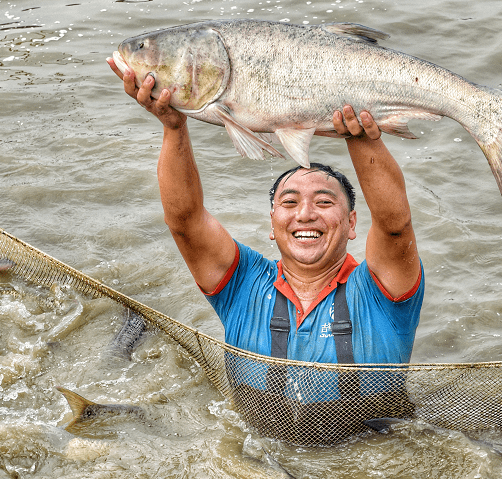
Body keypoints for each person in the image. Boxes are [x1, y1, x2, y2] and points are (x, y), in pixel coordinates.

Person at [107, 59, 424, 366]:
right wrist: (174, 127)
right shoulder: (243, 285)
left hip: (378, 424)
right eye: (289, 202)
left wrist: (357, 136)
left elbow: (394, 226)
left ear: (352, 223)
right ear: (272, 223)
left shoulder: (381, 291)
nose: (305, 214)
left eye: (325, 202)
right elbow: (185, 222)